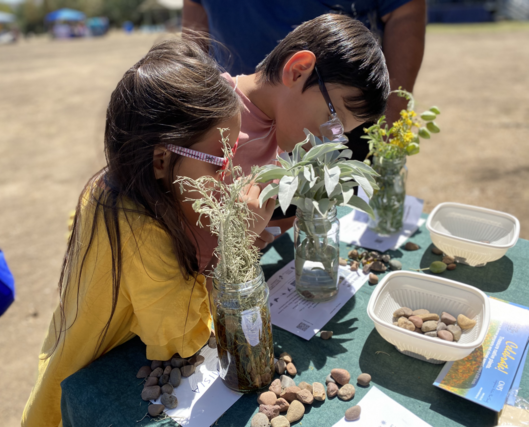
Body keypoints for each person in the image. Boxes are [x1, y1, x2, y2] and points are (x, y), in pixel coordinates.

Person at [21, 38, 275, 427]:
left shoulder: (111, 186)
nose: (230, 176)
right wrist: (236, 239)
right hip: (73, 399)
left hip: (70, 345)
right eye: (219, 164)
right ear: (160, 160)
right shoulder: (142, 231)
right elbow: (181, 337)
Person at [186, 14, 391, 263]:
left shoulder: (280, 130)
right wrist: (234, 239)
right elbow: (168, 234)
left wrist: (253, 234)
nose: (326, 140)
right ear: (297, 71)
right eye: (331, 119)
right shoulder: (204, 116)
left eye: (339, 134)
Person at [183, 0, 425, 126]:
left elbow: (404, 11)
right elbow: (195, 11)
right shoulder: (218, 137)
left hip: (344, 108)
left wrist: (392, 111)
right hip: (231, 113)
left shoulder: (337, 128)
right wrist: (194, 99)